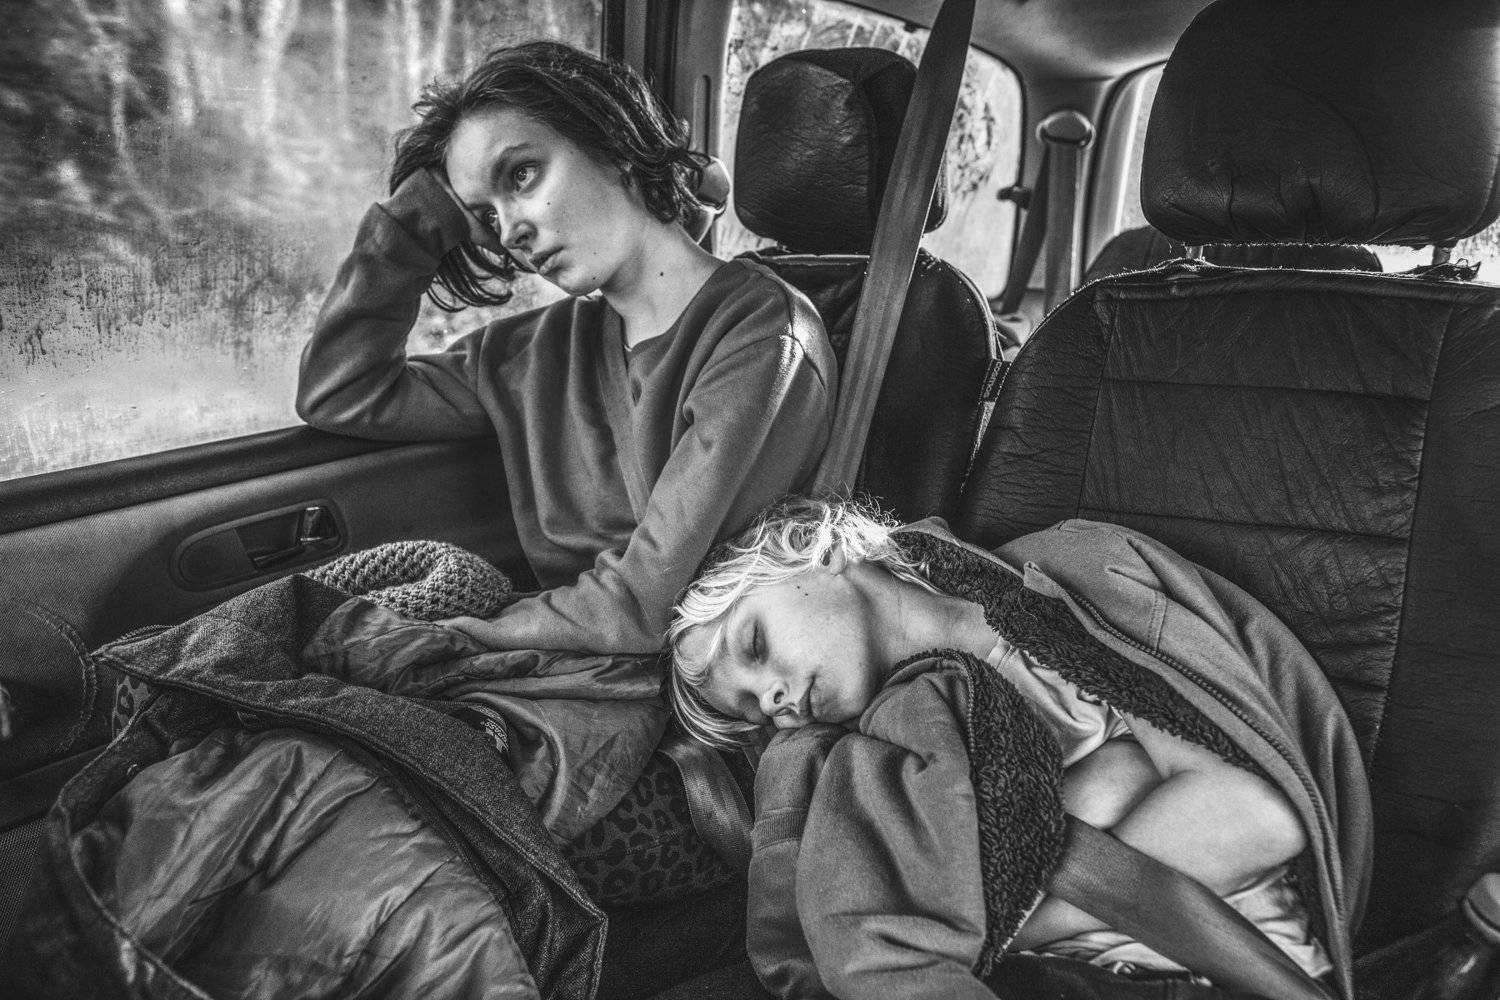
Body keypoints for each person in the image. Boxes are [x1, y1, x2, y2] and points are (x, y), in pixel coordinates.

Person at [667, 498, 1370, 994]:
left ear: (811, 549)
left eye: (754, 644)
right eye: (753, 708)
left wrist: (999, 929)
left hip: (1207, 958)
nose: (775, 701)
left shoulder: (1065, 585)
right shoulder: (882, 750)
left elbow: (1257, 816)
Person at [297, 40, 837, 656]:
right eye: (485, 216)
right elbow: (341, 391)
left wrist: (453, 638)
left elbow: (644, 607)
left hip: (690, 670)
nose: (512, 231)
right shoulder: (534, 351)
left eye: (522, 175)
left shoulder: (761, 335)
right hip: (559, 656)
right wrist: (414, 221)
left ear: (613, 140)